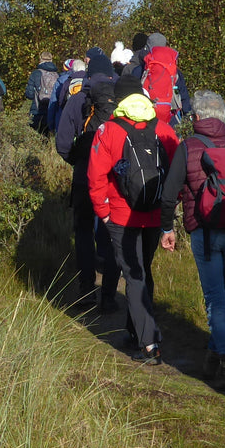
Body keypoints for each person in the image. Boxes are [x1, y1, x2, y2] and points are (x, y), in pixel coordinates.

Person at [159, 90, 225, 384]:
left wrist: (167, 228)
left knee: (214, 300)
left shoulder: (188, 146)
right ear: (224, 116)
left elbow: (169, 193)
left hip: (205, 233)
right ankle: (215, 359)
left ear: (197, 117)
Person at [87, 74, 180, 366]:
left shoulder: (108, 130)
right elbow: (176, 176)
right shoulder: (165, 130)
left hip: (120, 216)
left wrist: (102, 213)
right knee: (143, 271)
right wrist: (168, 213)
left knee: (134, 275)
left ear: (118, 100)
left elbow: (95, 177)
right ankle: (136, 329)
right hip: (154, 216)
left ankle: (149, 344)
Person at [56, 53, 120, 310]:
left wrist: (79, 162)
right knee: (112, 234)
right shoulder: (121, 100)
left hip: (84, 179)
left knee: (83, 233)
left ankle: (86, 290)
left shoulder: (77, 100)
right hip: (113, 180)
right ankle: (109, 297)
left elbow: (62, 143)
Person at [25, 52, 60, 133]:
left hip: (37, 110)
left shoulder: (36, 73)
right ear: (51, 60)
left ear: (40, 60)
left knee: (36, 136)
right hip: (52, 110)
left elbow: (29, 94)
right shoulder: (57, 74)